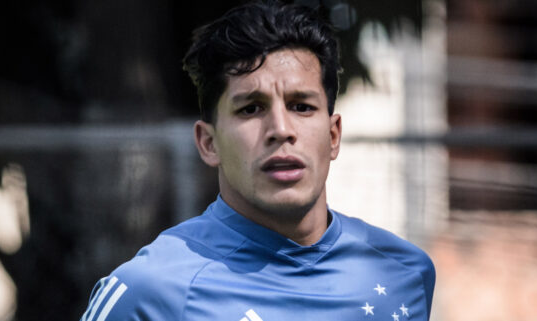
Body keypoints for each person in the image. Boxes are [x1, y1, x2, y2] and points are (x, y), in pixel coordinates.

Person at [80, 1, 435, 320]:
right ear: (208, 142)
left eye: (301, 107)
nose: (281, 129)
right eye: (251, 109)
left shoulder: (404, 272)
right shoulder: (149, 292)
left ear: (333, 136)